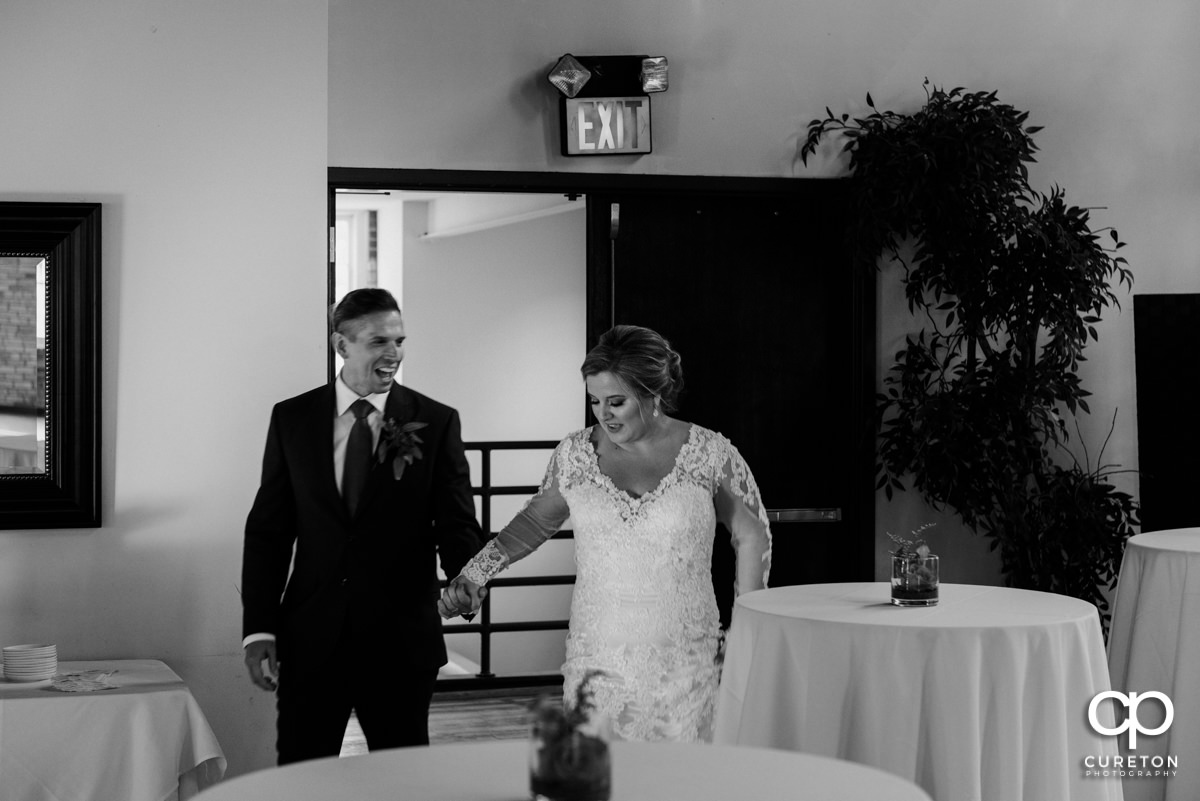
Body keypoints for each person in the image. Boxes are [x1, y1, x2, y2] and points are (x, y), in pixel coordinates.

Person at [439, 324, 772, 743]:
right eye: (595, 401)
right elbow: (534, 522)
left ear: (653, 395)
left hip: (688, 660)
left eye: (616, 402)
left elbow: (752, 534)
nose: (603, 414)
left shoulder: (709, 453)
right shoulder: (576, 455)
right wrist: (475, 573)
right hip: (597, 658)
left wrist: (747, 626)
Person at [241, 287, 484, 764]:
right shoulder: (292, 418)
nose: (393, 353)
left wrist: (465, 577)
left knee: (401, 779)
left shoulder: (435, 422)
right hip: (311, 638)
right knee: (302, 775)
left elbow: (456, 521)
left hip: (401, 640)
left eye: (399, 340)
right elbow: (268, 531)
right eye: (378, 341)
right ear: (341, 345)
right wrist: (259, 630)